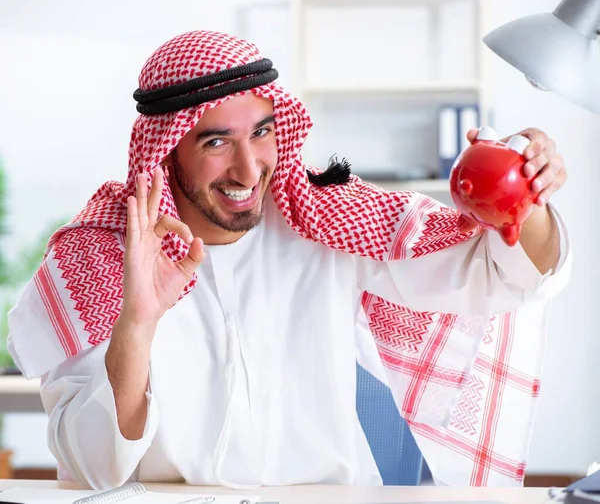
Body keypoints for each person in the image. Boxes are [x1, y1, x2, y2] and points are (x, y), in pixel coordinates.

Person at [7, 30, 570, 490]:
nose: (250, 171)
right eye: (215, 142)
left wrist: (527, 192)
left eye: (262, 134)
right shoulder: (101, 257)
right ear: (164, 147)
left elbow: (509, 275)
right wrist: (135, 326)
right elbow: (91, 469)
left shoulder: (325, 219)